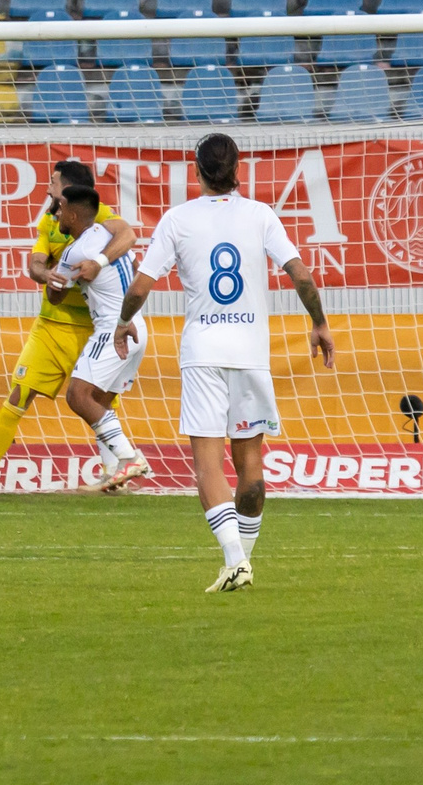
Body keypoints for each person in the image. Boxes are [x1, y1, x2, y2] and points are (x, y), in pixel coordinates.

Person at [116, 133, 335, 593]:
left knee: (208, 465)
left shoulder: (177, 220)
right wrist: (319, 323)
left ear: (196, 172)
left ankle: (235, 559)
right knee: (249, 462)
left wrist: (123, 322)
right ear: (239, 170)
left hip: (202, 355)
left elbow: (139, 287)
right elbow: (301, 274)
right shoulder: (260, 215)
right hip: (251, 354)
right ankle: (243, 561)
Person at [0, 157, 138, 497]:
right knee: (18, 395)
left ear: (70, 193)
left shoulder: (102, 218)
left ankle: (113, 474)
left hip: (96, 329)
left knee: (99, 402)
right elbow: (34, 263)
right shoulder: (50, 221)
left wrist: (98, 261)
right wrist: (45, 274)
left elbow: (128, 235)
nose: (47, 188)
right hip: (51, 326)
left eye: (53, 182)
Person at [45, 184, 153, 491]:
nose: (57, 214)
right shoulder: (111, 234)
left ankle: (128, 457)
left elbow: (55, 296)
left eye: (61, 208)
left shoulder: (73, 251)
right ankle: (116, 473)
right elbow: (132, 258)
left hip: (112, 329)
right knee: (101, 401)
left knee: (78, 397)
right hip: (136, 327)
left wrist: (48, 274)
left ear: (75, 214)